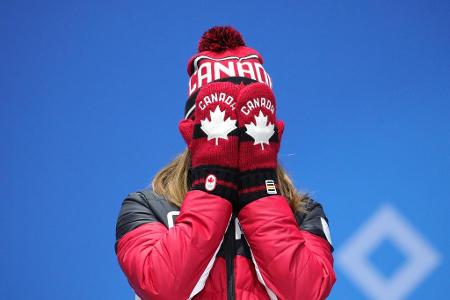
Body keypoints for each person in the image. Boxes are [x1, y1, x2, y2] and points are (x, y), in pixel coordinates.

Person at [115, 26, 336, 300]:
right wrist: (213, 181)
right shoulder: (146, 206)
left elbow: (305, 292)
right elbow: (163, 288)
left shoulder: (304, 212)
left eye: (248, 122)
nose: (238, 133)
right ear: (193, 130)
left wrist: (259, 187)